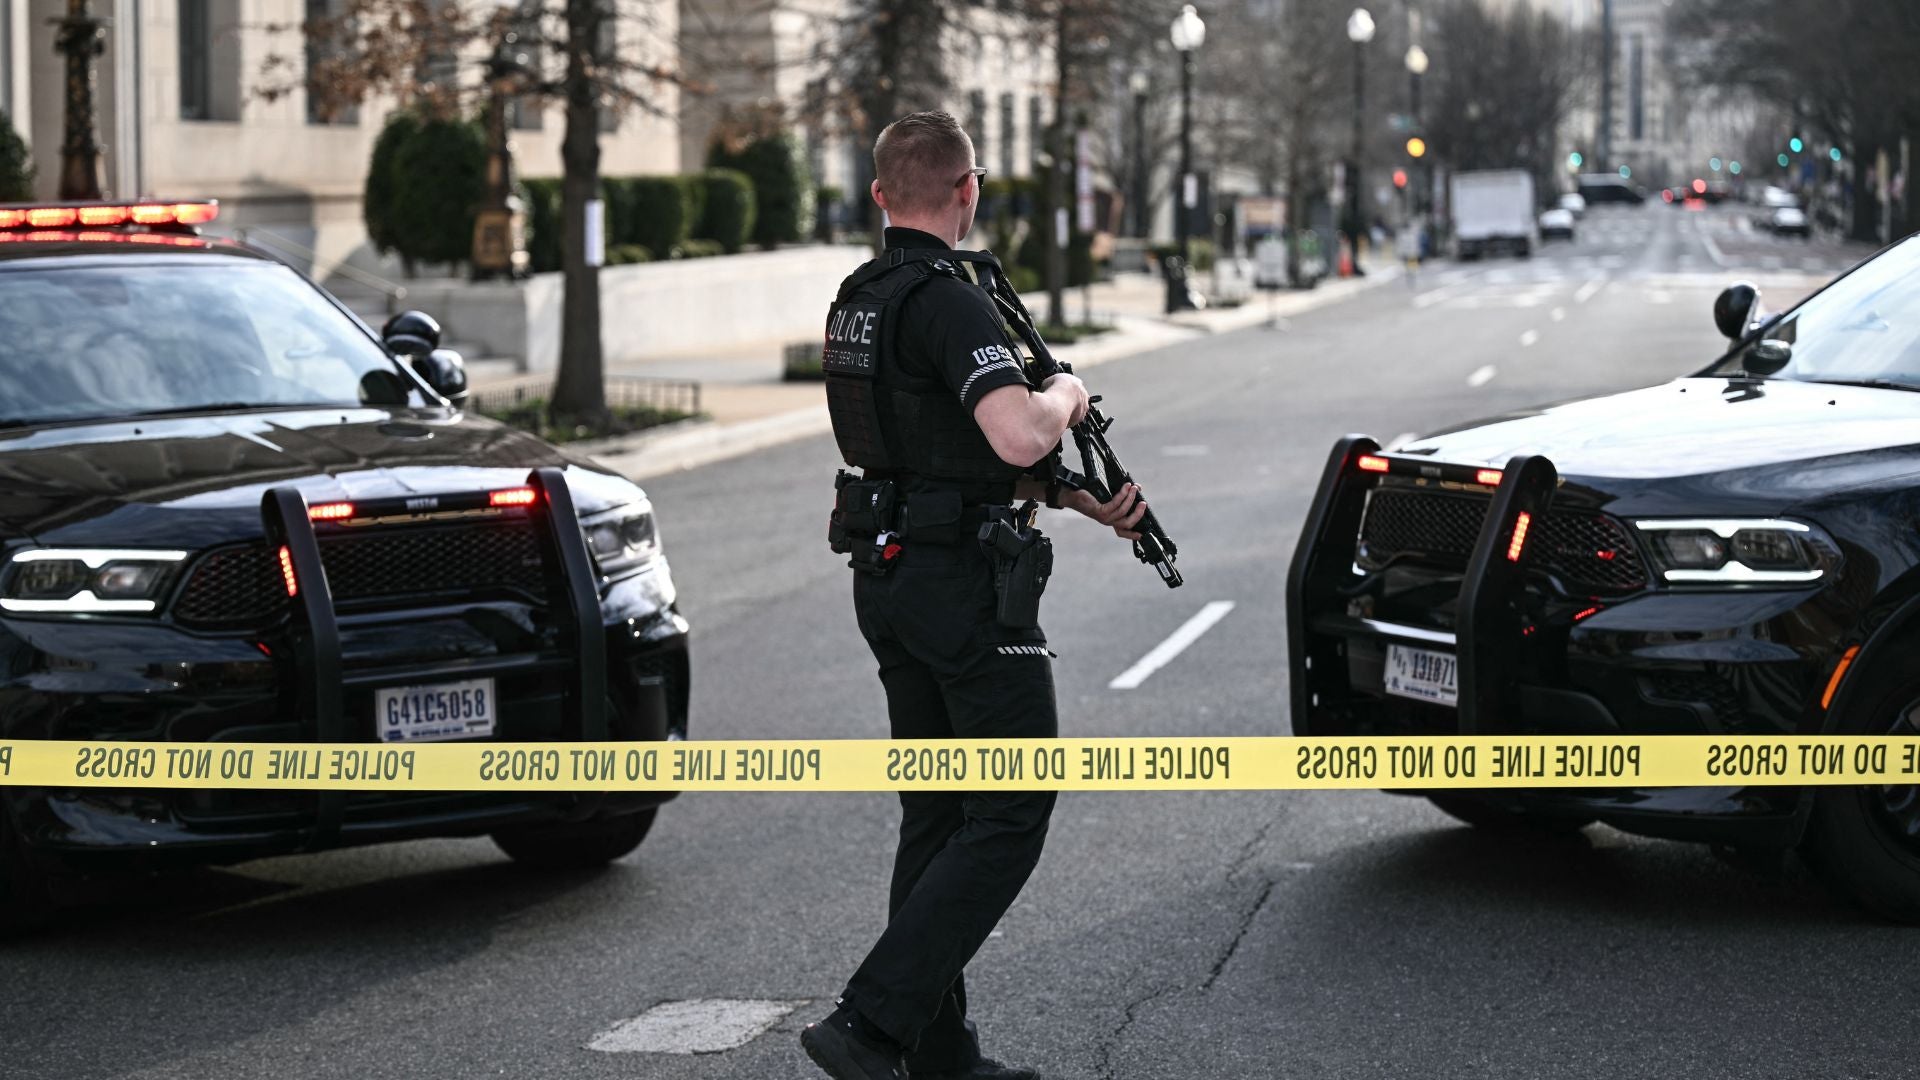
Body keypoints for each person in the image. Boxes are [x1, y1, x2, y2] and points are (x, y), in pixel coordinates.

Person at [801, 110, 1147, 1080]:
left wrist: (1079, 502)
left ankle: (936, 1056)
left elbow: (932, 450)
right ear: (969, 189)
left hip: (889, 571)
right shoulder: (952, 301)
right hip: (960, 589)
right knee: (1011, 807)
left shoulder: (856, 299)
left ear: (878, 195)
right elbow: (1019, 434)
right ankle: (871, 1025)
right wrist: (1068, 391)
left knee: (940, 811)